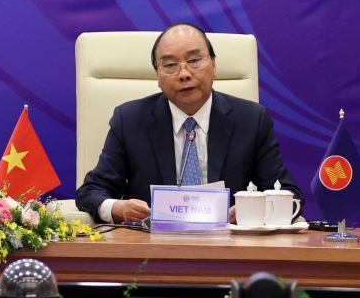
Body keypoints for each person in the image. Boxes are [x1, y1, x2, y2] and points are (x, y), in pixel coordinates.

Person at [76, 23, 302, 224]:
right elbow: (91, 191)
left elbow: (287, 194)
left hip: (230, 247)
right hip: (152, 248)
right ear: (157, 76)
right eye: (170, 65)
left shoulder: (251, 119)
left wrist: (251, 211)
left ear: (214, 65)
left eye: (194, 61)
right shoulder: (130, 120)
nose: (184, 74)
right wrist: (119, 209)